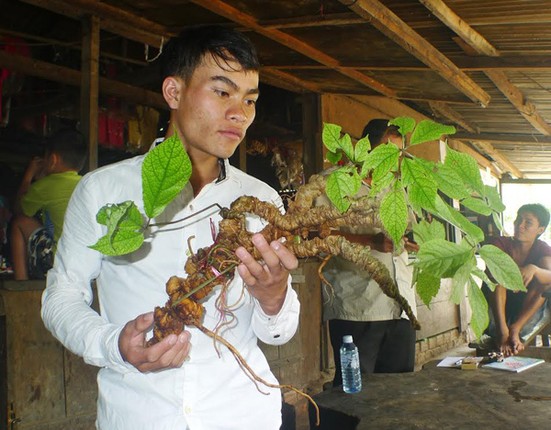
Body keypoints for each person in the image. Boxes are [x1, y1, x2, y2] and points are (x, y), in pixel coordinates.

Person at [41, 26, 300, 430]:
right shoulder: (104, 191)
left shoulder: (259, 199)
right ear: (174, 93)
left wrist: (274, 297)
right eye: (222, 92)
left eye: (250, 99)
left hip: (243, 415)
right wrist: (114, 345)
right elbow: (61, 296)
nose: (241, 113)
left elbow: (279, 333)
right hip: (139, 417)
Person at [321, 118, 418, 387]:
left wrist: (414, 242)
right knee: (355, 393)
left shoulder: (395, 188)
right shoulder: (334, 183)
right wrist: (368, 240)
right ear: (368, 148)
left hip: (401, 307)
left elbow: (406, 233)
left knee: (399, 391)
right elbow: (313, 235)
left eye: (400, 153)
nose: (396, 160)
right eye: (389, 152)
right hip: (359, 307)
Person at [10, 129, 86, 280]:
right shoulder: (85, 183)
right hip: (85, 263)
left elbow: (19, 210)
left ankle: (21, 284)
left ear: (52, 160)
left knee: (19, 223)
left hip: (59, 261)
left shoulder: (45, 186)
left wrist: (28, 177)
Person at [484, 203, 551, 356]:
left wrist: (533, 269)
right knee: (498, 276)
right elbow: (492, 273)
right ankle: (503, 332)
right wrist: (511, 277)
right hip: (497, 311)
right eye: (518, 220)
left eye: (528, 222)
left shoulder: (542, 248)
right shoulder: (500, 243)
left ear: (540, 230)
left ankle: (515, 329)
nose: (520, 225)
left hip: (527, 313)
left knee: (544, 280)